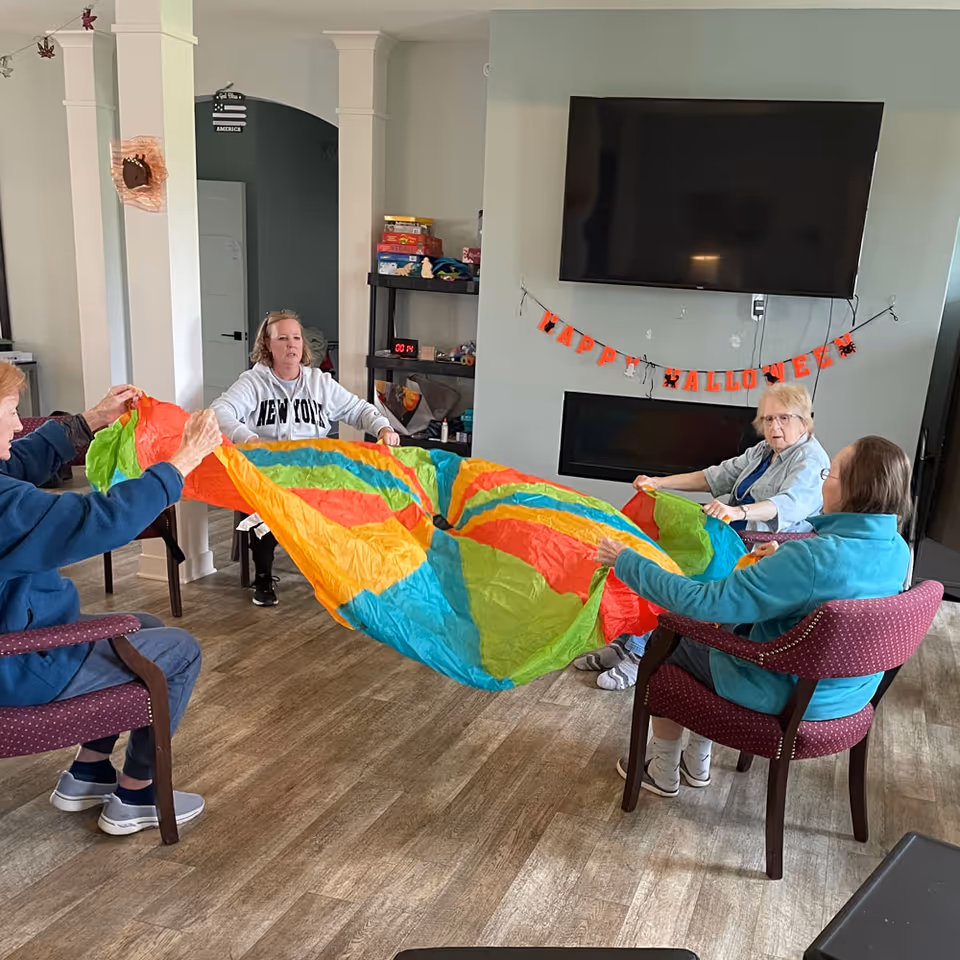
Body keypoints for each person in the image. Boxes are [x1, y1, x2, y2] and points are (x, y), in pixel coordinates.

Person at [595, 434, 912, 799]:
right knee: (713, 634)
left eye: (832, 473)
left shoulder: (810, 561)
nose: (824, 479)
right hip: (848, 694)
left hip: (783, 693)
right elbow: (835, 581)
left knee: (671, 640)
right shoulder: (896, 549)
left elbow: (701, 601)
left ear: (858, 489)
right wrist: (782, 557)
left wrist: (627, 561)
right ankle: (696, 762)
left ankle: (664, 770)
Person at [0, 360, 223, 836]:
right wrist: (181, 462)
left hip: (20, 641)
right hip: (19, 666)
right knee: (178, 652)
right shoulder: (4, 508)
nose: (20, 425)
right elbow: (96, 519)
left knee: (142, 624)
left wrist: (89, 421)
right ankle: (137, 793)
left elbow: (17, 460)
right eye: (12, 411)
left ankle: (89, 772)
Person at [576, 382, 830, 691]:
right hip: (729, 536)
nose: (774, 426)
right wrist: (659, 482)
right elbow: (715, 476)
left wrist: (738, 512)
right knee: (658, 553)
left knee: (680, 573)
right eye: (767, 419)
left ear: (804, 420)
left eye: (783, 418)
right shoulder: (764, 451)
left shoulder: (811, 460)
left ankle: (640, 652)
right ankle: (628, 640)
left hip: (761, 551)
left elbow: (788, 505)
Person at [212, 310, 401, 607]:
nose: (292, 345)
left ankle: (343, 576)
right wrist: (248, 437)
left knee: (355, 496)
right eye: (283, 338)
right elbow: (219, 412)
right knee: (269, 504)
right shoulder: (253, 383)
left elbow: (358, 410)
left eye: (296, 338)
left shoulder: (319, 383)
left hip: (314, 471)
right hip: (269, 471)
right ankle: (262, 578)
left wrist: (384, 427)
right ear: (267, 345)